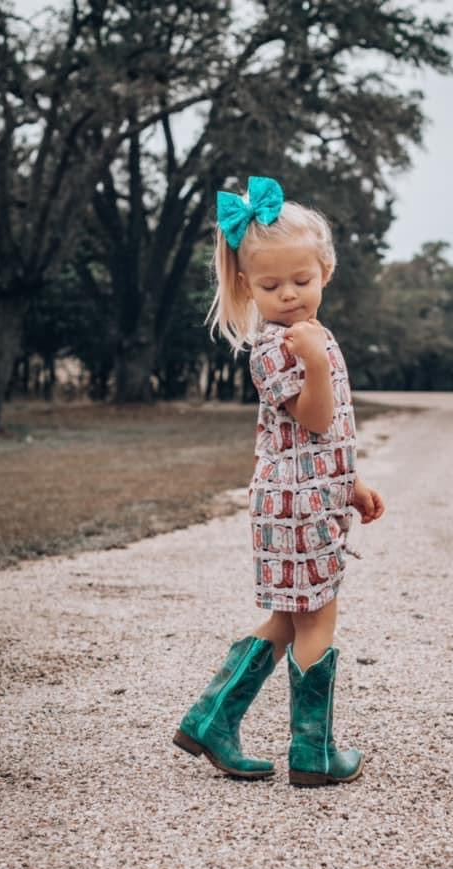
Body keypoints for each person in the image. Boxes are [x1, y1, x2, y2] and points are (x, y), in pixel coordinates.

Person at [173, 176, 385, 787]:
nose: (288, 294)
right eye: (270, 286)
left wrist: (351, 482)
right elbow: (313, 416)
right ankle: (313, 753)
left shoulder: (311, 335)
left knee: (292, 618)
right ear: (247, 285)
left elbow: (323, 437)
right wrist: (312, 359)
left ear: (325, 272)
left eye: (300, 280)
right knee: (317, 618)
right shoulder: (274, 348)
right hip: (296, 505)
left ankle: (212, 718)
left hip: (310, 496)